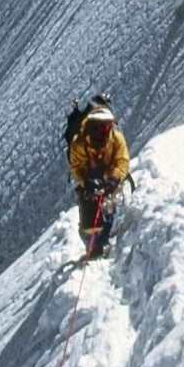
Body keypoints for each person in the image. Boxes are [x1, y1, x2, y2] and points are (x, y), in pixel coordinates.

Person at [67, 99, 130, 256]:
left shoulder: (115, 139)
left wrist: (114, 178)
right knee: (91, 209)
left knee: (108, 208)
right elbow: (77, 168)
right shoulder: (79, 143)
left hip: (109, 178)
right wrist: (86, 181)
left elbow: (122, 161)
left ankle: (101, 240)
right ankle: (94, 244)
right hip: (91, 180)